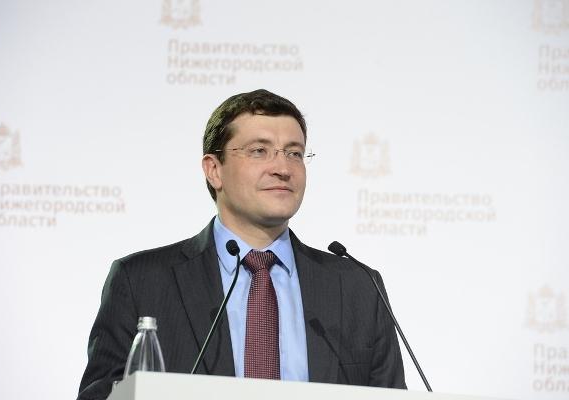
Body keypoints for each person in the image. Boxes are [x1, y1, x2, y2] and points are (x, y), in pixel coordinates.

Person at [77, 89, 406, 399]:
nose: (283, 168)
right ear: (214, 170)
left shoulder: (359, 286)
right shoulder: (141, 281)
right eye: (259, 151)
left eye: (294, 153)